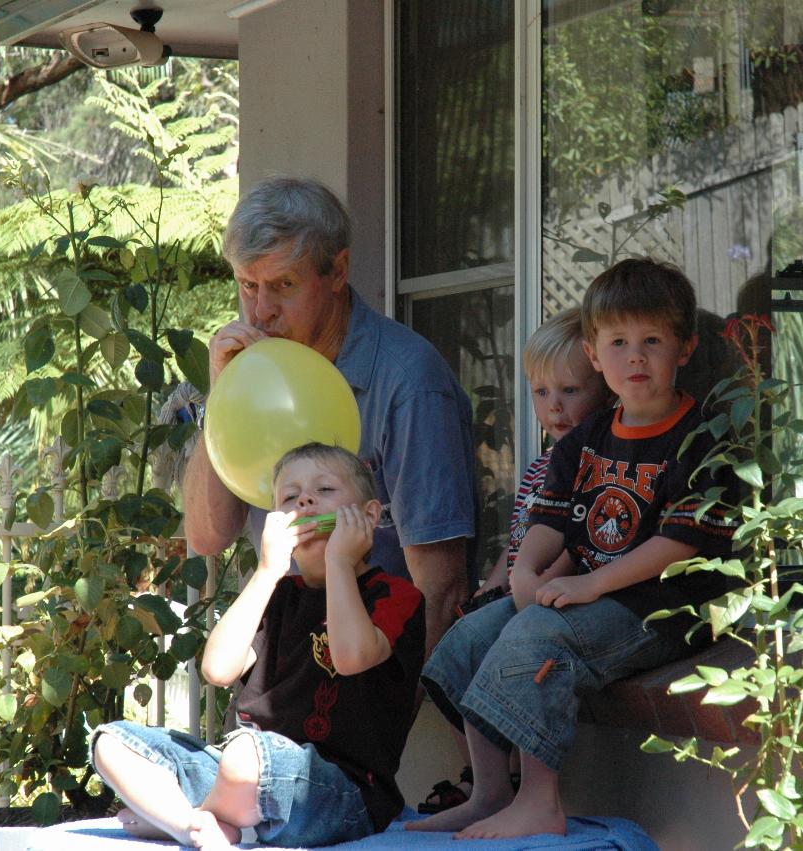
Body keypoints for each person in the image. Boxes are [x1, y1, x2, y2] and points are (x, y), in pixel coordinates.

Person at [410, 258, 737, 839]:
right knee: (469, 638)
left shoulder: (702, 438)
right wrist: (525, 571)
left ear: (684, 348)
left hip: (665, 608)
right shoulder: (587, 438)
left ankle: (540, 802)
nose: (635, 358)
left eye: (652, 341)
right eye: (618, 343)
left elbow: (680, 544)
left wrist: (589, 584)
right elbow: (550, 518)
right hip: (592, 596)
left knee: (539, 636)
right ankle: (489, 792)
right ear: (594, 353)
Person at [183, 177, 474, 653]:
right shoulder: (253, 370)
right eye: (248, 286)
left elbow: (440, 590)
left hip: (374, 668)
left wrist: (393, 700)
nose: (260, 312)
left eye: (284, 285)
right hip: (285, 665)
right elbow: (206, 536)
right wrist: (222, 395)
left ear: (338, 271)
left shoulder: (408, 382)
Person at [92, 443, 426, 849]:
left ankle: (186, 814)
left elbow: (350, 656)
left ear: (369, 516)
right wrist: (267, 571)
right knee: (111, 742)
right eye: (290, 497)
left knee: (244, 757)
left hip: (342, 794)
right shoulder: (277, 593)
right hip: (244, 772)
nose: (305, 501)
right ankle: (193, 826)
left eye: (324, 490)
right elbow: (217, 669)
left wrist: (339, 561)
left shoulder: (395, 595)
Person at [418, 308, 613, 815]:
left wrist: (533, 583)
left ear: (605, 389)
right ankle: (482, 779)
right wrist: (491, 582)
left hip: (556, 594)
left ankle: (508, 778)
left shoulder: (598, 461)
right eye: (541, 392)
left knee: (504, 652)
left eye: (570, 390)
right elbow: (522, 536)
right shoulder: (543, 464)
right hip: (518, 586)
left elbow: (578, 541)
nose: (555, 406)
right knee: (454, 650)